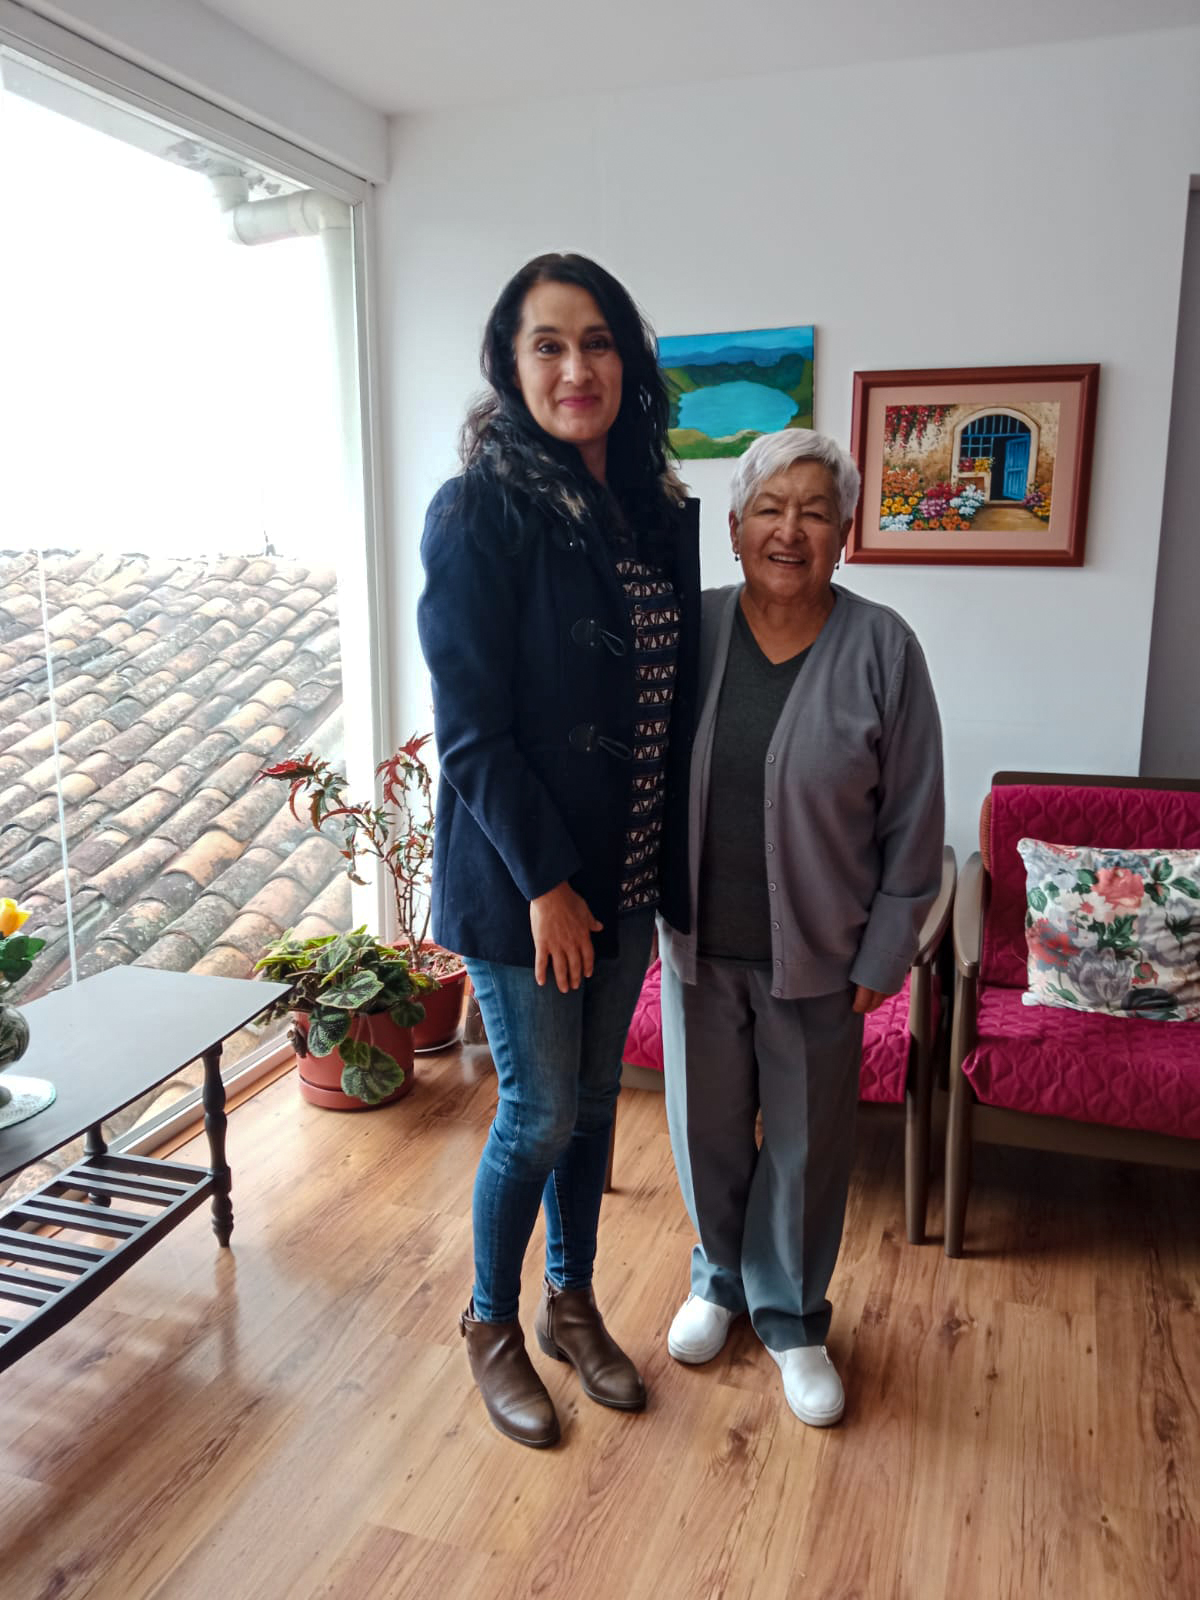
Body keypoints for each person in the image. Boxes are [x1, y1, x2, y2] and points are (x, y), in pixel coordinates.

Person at [418, 253, 699, 1449]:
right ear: (510, 363)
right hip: (526, 884)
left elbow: (672, 701)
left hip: (627, 874)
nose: (575, 367)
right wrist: (545, 882)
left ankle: (570, 1302)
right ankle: (491, 1321)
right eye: (548, 344)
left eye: (596, 341)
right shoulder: (476, 512)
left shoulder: (655, 512)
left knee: (591, 1107)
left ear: (626, 361)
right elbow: (471, 734)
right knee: (535, 1111)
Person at [658, 428, 943, 1427]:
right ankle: (718, 1280)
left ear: (845, 536)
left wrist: (886, 950)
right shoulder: (690, 630)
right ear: (734, 528)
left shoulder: (884, 648)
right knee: (704, 1131)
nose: (792, 530)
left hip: (824, 955)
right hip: (698, 948)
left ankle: (792, 1317)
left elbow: (914, 817)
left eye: (816, 512)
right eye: (771, 510)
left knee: (808, 1147)